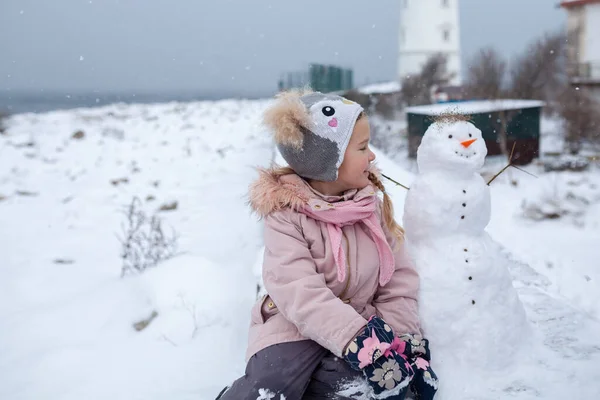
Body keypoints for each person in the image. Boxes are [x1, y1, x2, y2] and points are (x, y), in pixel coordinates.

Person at [216, 89, 438, 400]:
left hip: (362, 326)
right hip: (293, 326)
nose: (372, 156)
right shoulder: (286, 215)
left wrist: (402, 339)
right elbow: (299, 292)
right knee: (273, 386)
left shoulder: (371, 208)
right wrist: (356, 339)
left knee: (357, 388)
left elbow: (398, 280)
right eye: (362, 147)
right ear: (327, 161)